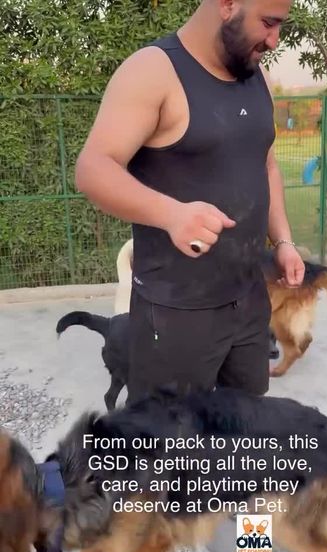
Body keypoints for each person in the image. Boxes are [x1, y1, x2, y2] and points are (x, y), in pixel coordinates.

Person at [75, 0, 305, 404]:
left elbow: (266, 166)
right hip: (174, 312)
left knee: (244, 422)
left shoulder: (259, 77)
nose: (274, 40)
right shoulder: (153, 71)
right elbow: (93, 168)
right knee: (169, 435)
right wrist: (170, 214)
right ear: (228, 5)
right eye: (268, 23)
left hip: (249, 299)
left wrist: (283, 240)